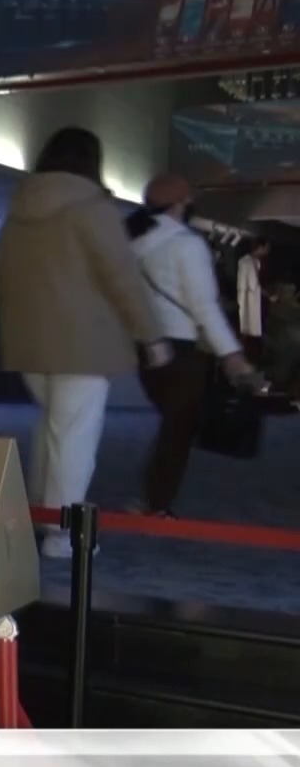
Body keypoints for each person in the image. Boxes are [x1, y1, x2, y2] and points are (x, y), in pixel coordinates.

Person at [0, 130, 169, 558]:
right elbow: (121, 277)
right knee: (73, 438)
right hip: (83, 343)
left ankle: (40, 512)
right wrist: (150, 334)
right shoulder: (93, 208)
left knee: (51, 428)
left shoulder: (19, 209)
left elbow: (3, 277)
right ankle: (62, 534)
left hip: (30, 342)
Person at [127, 175, 259, 518]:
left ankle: (153, 499)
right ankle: (156, 503)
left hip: (145, 344)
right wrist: (231, 353)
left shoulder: (133, 243)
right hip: (184, 350)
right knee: (179, 429)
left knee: (173, 424)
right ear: (181, 203)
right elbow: (204, 307)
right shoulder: (187, 244)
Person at [239, 238, 269, 356]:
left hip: (247, 299)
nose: (267, 251)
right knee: (246, 329)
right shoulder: (250, 262)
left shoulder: (248, 260)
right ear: (260, 247)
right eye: (266, 248)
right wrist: (269, 296)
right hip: (249, 300)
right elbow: (254, 285)